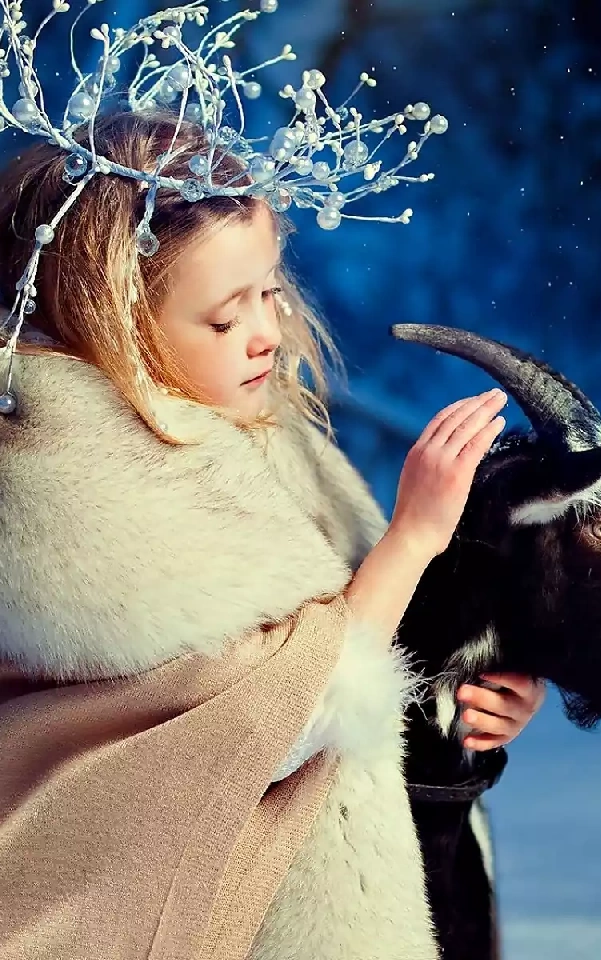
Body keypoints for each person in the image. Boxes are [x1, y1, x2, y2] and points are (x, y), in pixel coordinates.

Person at [0, 106, 544, 958]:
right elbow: (278, 722)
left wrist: (465, 694)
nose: (265, 333)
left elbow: (367, 650)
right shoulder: (70, 492)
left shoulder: (251, 432)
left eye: (270, 290)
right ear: (115, 322)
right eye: (225, 318)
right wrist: (412, 537)